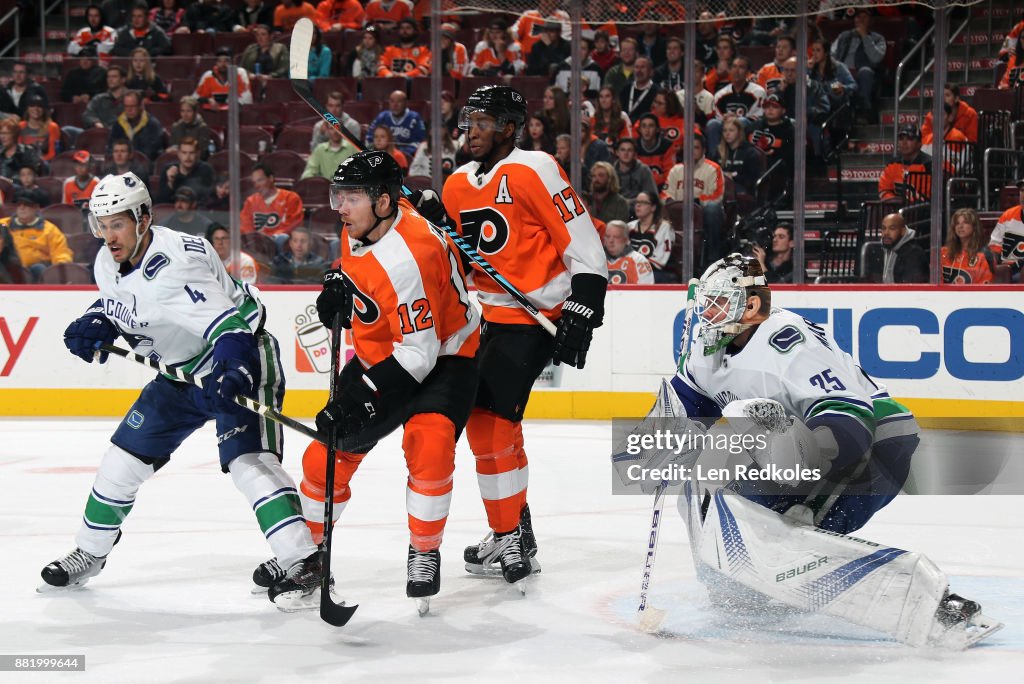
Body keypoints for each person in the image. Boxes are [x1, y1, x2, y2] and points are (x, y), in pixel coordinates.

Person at [642, 252, 998, 649]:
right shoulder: (707, 347)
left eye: (719, 302)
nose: (708, 313)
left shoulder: (786, 341)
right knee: (721, 499)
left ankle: (938, 607)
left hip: (875, 443)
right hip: (802, 443)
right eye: (706, 303)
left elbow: (848, 419)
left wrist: (802, 468)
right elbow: (688, 404)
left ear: (752, 305)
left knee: (787, 526)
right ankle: (739, 590)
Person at [39, 172, 321, 608]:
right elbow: (122, 303)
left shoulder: (175, 266)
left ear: (143, 217)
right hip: (179, 376)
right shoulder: (107, 259)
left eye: (117, 224)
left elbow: (229, 327)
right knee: (121, 462)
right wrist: (97, 321)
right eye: (101, 225)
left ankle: (303, 560)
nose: (108, 235)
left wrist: (233, 371)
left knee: (248, 461)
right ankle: (90, 553)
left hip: (237, 359)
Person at [256, 151, 482, 612]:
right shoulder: (361, 223)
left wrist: (358, 397)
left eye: (350, 196)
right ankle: (308, 558)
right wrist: (337, 292)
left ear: (383, 202)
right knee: (325, 458)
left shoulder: (410, 257)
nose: (339, 206)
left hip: (446, 354)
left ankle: (424, 550)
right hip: (389, 350)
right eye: (338, 195)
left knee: (430, 444)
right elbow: (363, 278)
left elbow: (417, 358)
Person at [426, 85, 608, 586]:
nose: (472, 131)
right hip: (484, 319)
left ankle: (511, 536)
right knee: (490, 426)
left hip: (533, 318)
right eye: (469, 121)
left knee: (490, 424)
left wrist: (585, 301)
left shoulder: (536, 167)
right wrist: (433, 223)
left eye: (484, 122)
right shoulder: (458, 183)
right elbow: (460, 260)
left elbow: (580, 237)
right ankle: (514, 531)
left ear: (510, 127)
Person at [0, 189, 74, 281]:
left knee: (39, 268)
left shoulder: (49, 229)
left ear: (36, 208)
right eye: (19, 204)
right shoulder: (3, 225)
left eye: (27, 204)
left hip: (36, 271)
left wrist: (59, 269)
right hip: (8, 270)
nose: (22, 207)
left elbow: (61, 254)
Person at [706, 56, 766, 160]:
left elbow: (757, 119)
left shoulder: (758, 92)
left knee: (741, 121)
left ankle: (739, 157)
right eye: (734, 67)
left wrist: (735, 120)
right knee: (712, 124)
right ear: (729, 70)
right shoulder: (721, 94)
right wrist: (726, 119)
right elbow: (718, 119)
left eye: (741, 67)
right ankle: (715, 159)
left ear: (748, 72)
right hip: (727, 128)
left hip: (748, 127)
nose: (737, 71)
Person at [831, 8, 887, 117]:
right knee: (832, 76)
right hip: (842, 71)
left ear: (871, 21)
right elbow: (832, 54)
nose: (860, 20)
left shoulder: (878, 38)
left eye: (864, 17)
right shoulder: (844, 36)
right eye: (858, 17)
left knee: (865, 72)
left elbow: (876, 58)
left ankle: (864, 109)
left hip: (863, 71)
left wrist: (865, 36)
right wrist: (837, 66)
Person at [240, 163, 305, 244]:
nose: (257, 185)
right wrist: (255, 239)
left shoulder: (291, 198)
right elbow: (246, 228)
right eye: (254, 182)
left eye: (260, 180)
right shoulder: (250, 201)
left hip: (282, 245)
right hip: (257, 246)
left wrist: (268, 238)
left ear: (271, 178)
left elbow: (293, 226)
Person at [862, 212, 929, 284]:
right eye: (884, 228)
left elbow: (911, 290)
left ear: (903, 231)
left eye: (892, 228)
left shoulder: (914, 254)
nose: (886, 233)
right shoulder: (877, 251)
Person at [878, 124, 934, 202]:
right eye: (901, 138)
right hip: (894, 208)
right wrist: (895, 202)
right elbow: (884, 190)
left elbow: (928, 197)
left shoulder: (928, 165)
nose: (904, 142)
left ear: (919, 143)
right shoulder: (892, 164)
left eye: (910, 139)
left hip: (920, 210)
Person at [627, 191, 674, 281]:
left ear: (653, 207)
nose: (638, 205)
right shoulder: (629, 226)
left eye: (643, 203)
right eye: (637, 202)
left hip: (655, 272)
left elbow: (659, 262)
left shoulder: (663, 227)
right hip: (630, 270)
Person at [365, 90, 426, 159]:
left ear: (406, 103)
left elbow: (419, 142)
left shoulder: (414, 118)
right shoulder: (382, 117)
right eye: (392, 101)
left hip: (406, 157)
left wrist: (403, 153)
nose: (395, 105)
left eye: (399, 101)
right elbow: (369, 138)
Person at [107, 90, 165, 161]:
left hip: (144, 165)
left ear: (140, 105)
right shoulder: (118, 124)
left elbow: (152, 151)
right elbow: (111, 147)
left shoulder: (152, 124)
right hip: (121, 166)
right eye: (126, 106)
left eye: (132, 106)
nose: (129, 110)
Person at [941, 208, 993, 284]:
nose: (960, 226)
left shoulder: (983, 254)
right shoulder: (943, 253)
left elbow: (984, 288)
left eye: (965, 222)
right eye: (957, 223)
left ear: (974, 227)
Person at [719, 114, 764, 196]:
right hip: (720, 187)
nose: (727, 134)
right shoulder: (719, 151)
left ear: (739, 132)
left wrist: (732, 177)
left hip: (742, 190)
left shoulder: (750, 152)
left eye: (731, 130)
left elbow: (752, 180)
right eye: (725, 130)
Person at [987, 179, 1024, 274]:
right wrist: (993, 265)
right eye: (1022, 190)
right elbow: (995, 245)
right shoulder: (1008, 215)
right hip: (1006, 270)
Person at [604, 219, 654, 284]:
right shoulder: (595, 259)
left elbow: (646, 291)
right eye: (608, 237)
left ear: (626, 240)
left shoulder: (639, 261)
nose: (611, 241)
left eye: (616, 237)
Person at [613, 137, 659, 205]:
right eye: (623, 150)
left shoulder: (644, 170)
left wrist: (629, 202)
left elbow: (652, 196)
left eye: (630, 150)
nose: (626, 153)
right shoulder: (611, 171)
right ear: (617, 153)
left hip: (639, 209)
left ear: (635, 153)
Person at [18, 95, 61, 162]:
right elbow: (18, 151)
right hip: (23, 163)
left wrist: (39, 161)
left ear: (44, 109)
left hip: (45, 162)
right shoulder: (20, 126)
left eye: (39, 106)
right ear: (27, 109)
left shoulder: (52, 127)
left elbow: (53, 153)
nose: (36, 109)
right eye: (32, 105)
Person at [83, 65, 128, 130]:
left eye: (114, 76)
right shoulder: (98, 98)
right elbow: (87, 115)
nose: (110, 79)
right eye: (108, 77)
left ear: (123, 80)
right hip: (100, 133)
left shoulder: (131, 98)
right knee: (68, 129)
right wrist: (97, 123)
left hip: (123, 135)